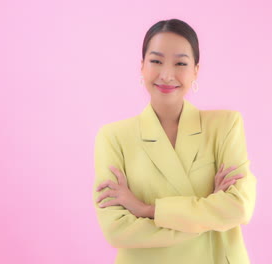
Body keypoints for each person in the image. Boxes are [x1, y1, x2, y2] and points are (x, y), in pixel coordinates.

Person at [93, 18, 257, 264]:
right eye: (156, 61)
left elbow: (239, 207)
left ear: (195, 71)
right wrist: (209, 214)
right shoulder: (114, 137)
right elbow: (116, 230)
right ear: (142, 66)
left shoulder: (225, 126)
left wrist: (148, 210)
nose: (167, 75)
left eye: (180, 63)